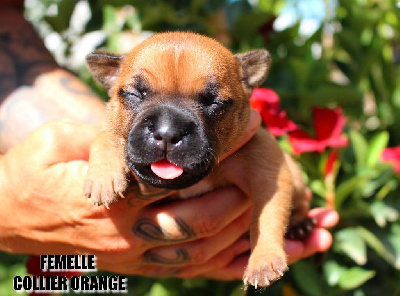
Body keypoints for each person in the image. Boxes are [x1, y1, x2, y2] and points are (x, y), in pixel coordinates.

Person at [0, 0, 338, 280]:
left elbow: (272, 181)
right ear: (111, 80)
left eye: (214, 103)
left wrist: (266, 246)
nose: (166, 131)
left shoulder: (246, 147)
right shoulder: (109, 131)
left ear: (245, 87)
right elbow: (106, 140)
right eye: (135, 95)